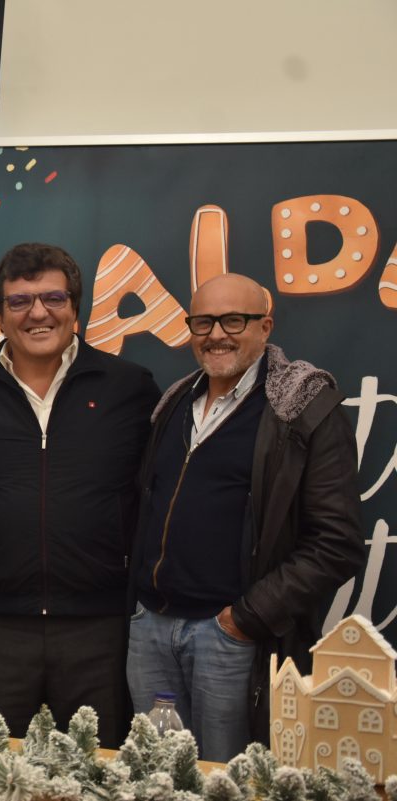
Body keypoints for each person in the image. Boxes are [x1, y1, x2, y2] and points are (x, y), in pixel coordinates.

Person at [127, 273, 364, 761]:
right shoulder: (173, 403)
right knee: (155, 777)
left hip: (229, 640)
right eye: (203, 322)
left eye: (234, 320)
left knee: (226, 782)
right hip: (151, 631)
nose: (216, 334)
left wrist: (244, 619)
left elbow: (335, 543)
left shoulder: (303, 409)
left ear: (265, 326)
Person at [0, 242, 159, 745]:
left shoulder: (130, 388)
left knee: (97, 775)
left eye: (53, 299)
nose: (38, 313)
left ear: (75, 309)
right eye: (19, 302)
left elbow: (160, 498)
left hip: (98, 626)